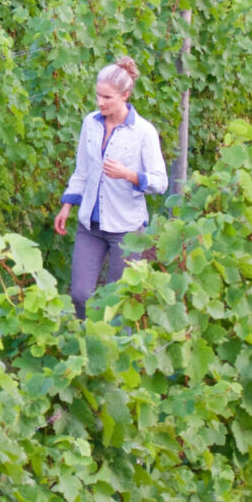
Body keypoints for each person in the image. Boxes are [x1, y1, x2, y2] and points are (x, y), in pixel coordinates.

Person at [53, 56, 168, 320]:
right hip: (90, 226)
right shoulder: (90, 124)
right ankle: (87, 345)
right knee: (80, 294)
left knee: (118, 302)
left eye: (107, 97)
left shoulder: (143, 132)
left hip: (127, 228)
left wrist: (129, 174)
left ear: (125, 95)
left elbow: (161, 182)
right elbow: (82, 170)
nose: (100, 102)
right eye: (98, 96)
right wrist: (67, 206)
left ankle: (119, 353)